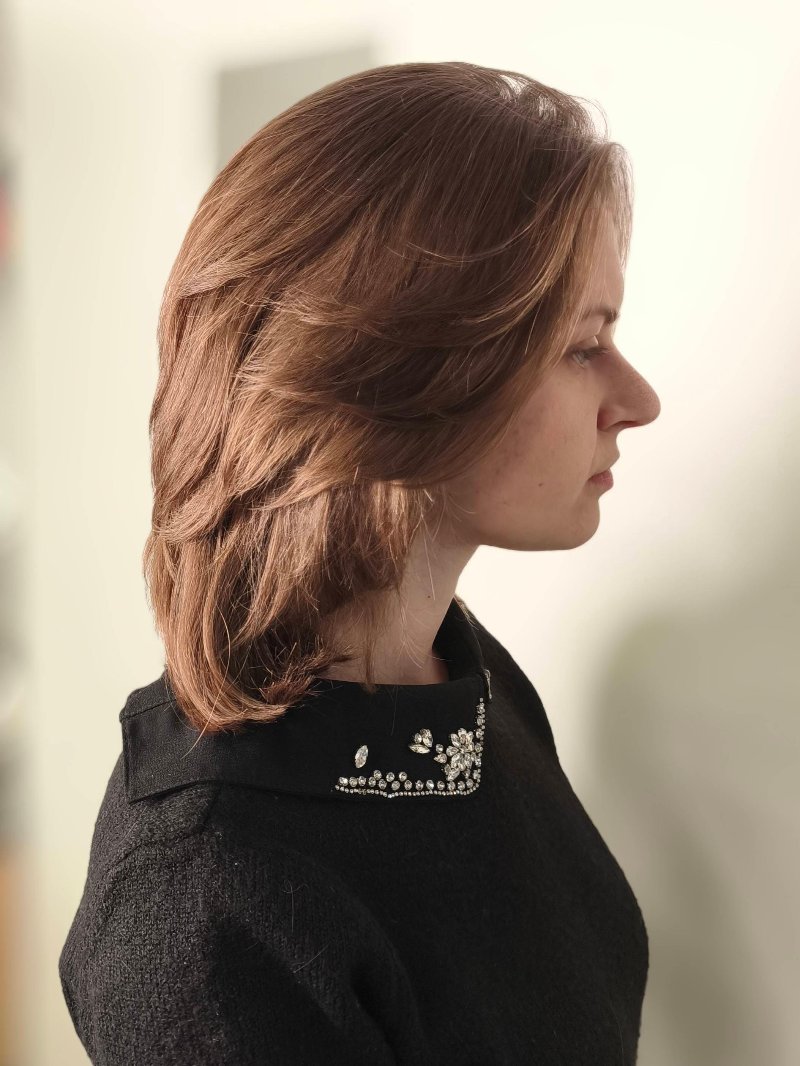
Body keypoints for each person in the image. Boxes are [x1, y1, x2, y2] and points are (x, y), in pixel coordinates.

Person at [58, 60, 660, 1065]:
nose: (637, 400)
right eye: (582, 346)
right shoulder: (206, 904)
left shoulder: (461, 679)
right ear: (396, 373)